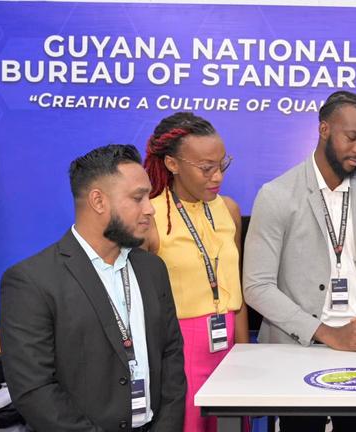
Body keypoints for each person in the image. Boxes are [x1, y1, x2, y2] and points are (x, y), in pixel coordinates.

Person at [243, 90, 356, 432]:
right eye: (352, 137)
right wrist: (328, 333)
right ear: (324, 129)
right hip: (298, 349)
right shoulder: (277, 195)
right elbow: (257, 286)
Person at [0, 144, 186, 432]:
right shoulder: (31, 281)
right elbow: (34, 390)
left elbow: (171, 356)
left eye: (148, 197)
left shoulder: (153, 269)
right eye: (138, 198)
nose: (150, 209)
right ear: (98, 201)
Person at [143, 112, 248, 432]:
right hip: (180, 353)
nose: (217, 176)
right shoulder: (149, 218)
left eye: (222, 165)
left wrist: (244, 355)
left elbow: (236, 290)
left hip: (229, 346)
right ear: (172, 163)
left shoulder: (228, 209)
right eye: (206, 168)